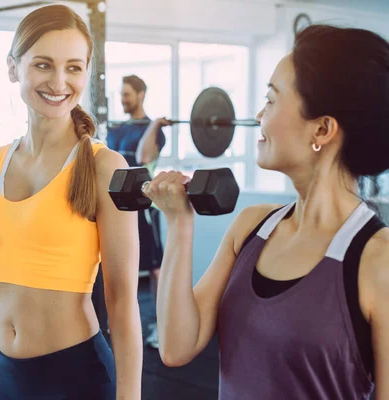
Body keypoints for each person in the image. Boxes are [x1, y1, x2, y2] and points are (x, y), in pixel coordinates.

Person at [144, 24, 389, 399]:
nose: (260, 114)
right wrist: (179, 223)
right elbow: (178, 347)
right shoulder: (253, 226)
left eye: (272, 100)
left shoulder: (378, 262)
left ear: (322, 129)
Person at [0, 5, 142, 400]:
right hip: (1, 372)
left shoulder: (105, 166)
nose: (59, 81)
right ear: (13, 68)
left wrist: (130, 396)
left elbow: (121, 300)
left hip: (75, 375)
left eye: (73, 67)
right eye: (43, 65)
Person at [106, 75, 169, 349]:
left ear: (141, 94)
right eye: (121, 94)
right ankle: (117, 321)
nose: (123, 99)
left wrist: (154, 124)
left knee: (155, 269)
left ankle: (161, 326)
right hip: (118, 205)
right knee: (117, 264)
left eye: (128, 94)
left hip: (145, 207)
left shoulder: (154, 130)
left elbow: (144, 158)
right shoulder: (116, 128)